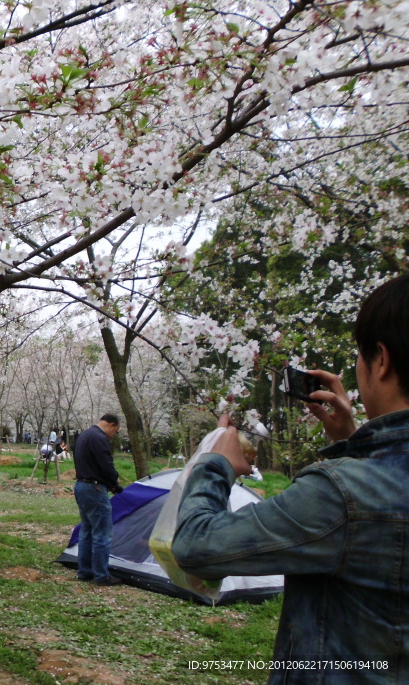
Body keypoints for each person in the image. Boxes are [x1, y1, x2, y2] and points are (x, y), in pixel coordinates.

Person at [172, 274, 409, 681]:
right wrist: (353, 441)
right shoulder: (360, 488)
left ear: (381, 360)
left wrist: (216, 464)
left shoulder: (341, 495)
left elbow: (196, 546)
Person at [72, 413, 123, 586]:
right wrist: (114, 482)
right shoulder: (99, 438)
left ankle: (84, 571)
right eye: (115, 431)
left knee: (87, 530)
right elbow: (105, 465)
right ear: (110, 425)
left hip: (81, 485)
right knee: (102, 533)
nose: (114, 435)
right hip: (95, 488)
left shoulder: (84, 435)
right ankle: (101, 575)